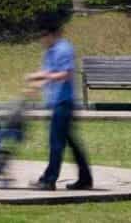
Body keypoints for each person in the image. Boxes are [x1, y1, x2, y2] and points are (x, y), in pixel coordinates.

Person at [25, 13, 93, 191]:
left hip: (64, 103)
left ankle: (49, 179)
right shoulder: (50, 51)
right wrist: (35, 85)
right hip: (56, 102)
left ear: (50, 34)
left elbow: (66, 74)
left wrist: (41, 76)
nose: (40, 40)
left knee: (56, 142)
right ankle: (85, 178)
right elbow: (48, 73)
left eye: (42, 36)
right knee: (70, 142)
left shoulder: (64, 49)